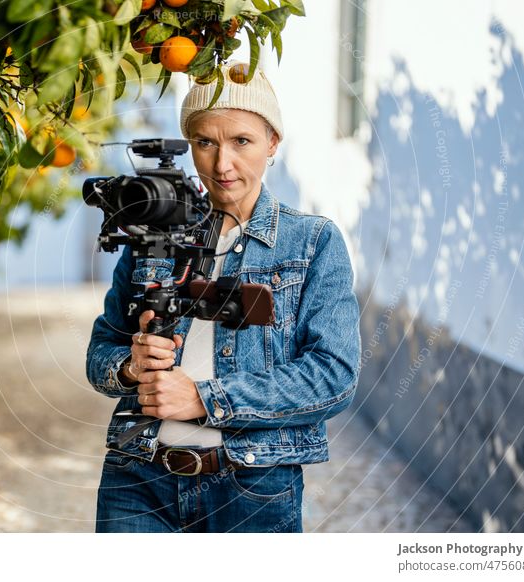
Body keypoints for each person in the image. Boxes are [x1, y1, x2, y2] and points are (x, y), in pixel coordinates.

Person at [86, 61, 361, 532]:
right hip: (138, 480)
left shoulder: (312, 242)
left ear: (273, 143)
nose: (222, 164)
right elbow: (100, 354)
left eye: (242, 141)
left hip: (253, 488)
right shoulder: (153, 230)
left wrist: (205, 399)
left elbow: (334, 376)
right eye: (205, 142)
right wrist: (131, 367)